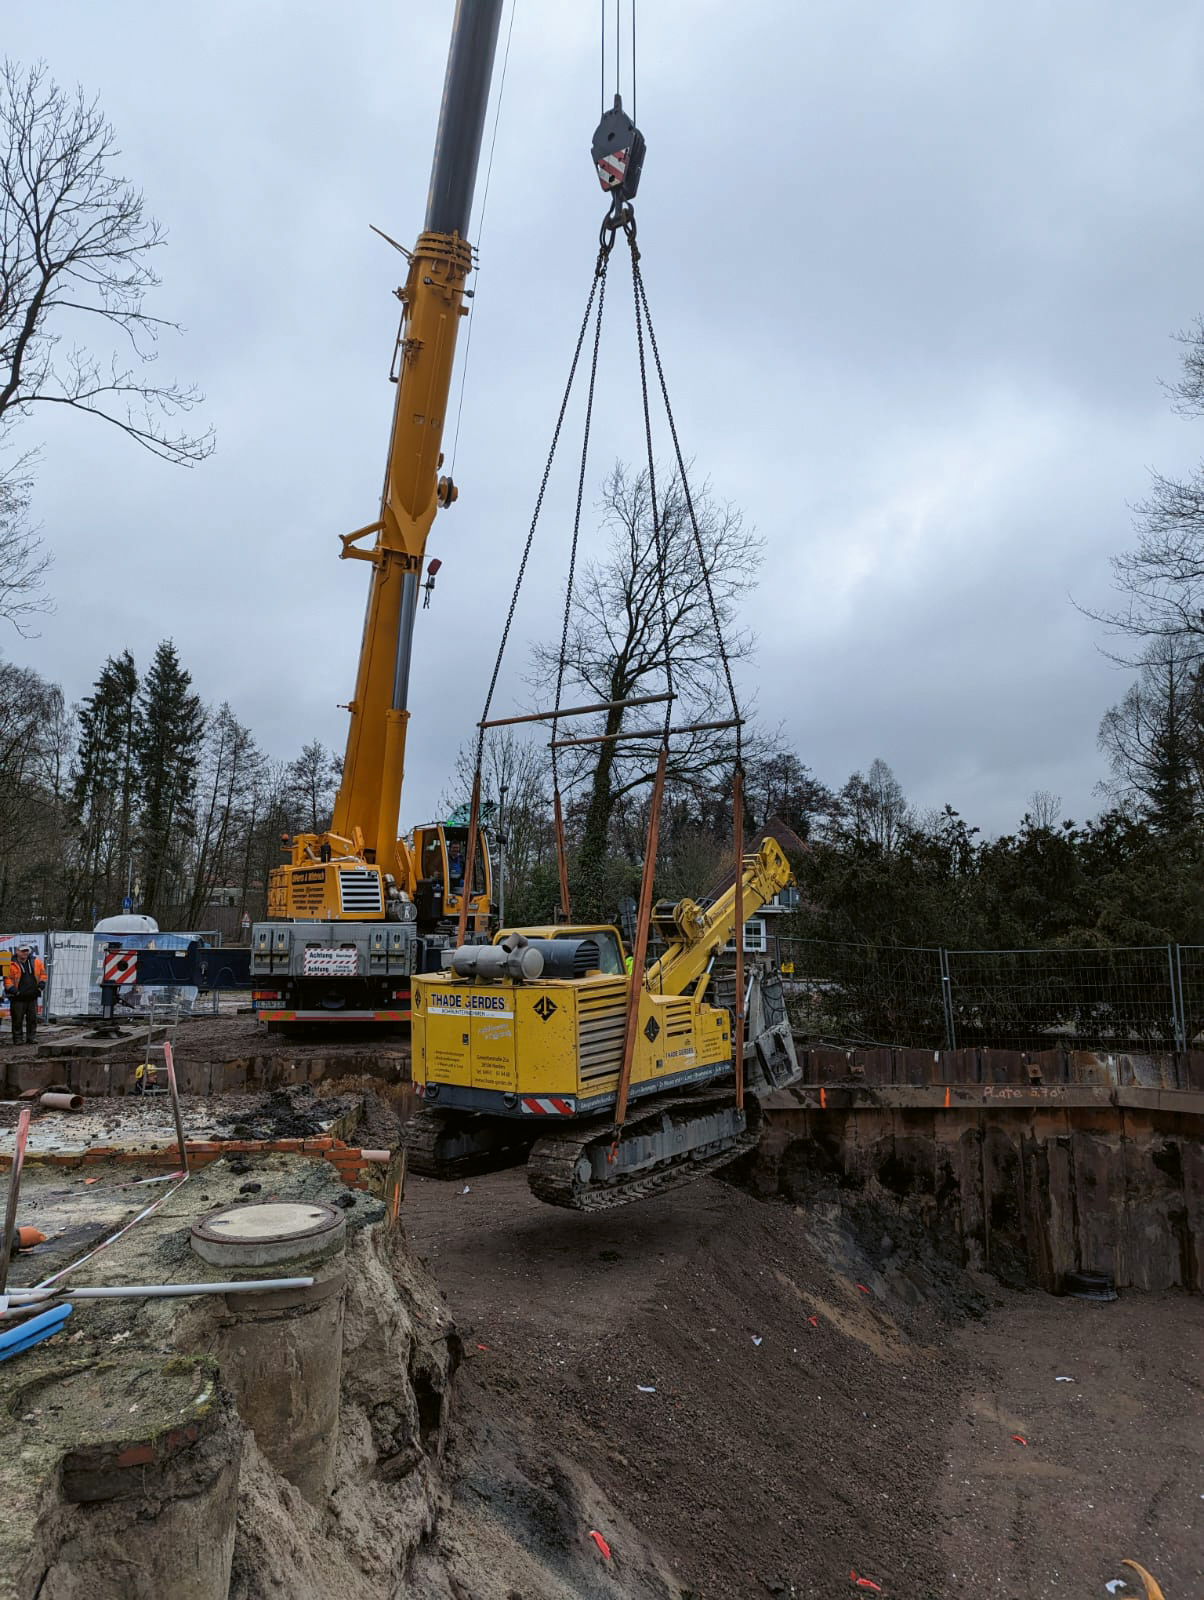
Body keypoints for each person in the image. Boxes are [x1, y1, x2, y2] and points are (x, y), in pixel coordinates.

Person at [6, 943, 46, 1045]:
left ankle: (31, 1037)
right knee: (17, 1019)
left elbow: (43, 974)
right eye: (23, 951)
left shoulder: (36, 961)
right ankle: (18, 1039)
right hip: (18, 996)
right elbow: (7, 979)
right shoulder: (10, 963)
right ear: (17, 951)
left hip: (32, 995)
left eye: (27, 951)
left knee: (32, 1019)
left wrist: (41, 986)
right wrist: (14, 991)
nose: (25, 953)